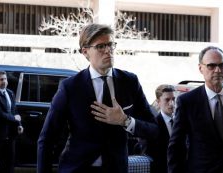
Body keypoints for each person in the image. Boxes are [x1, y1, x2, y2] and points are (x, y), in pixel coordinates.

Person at [37, 23, 158, 173]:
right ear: (85, 52)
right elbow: (47, 139)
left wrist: (124, 120)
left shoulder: (129, 82)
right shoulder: (70, 87)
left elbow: (154, 130)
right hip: (77, 168)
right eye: (101, 46)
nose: (108, 50)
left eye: (110, 45)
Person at [168, 46, 223, 173]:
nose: (218, 70)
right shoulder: (188, 102)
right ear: (201, 68)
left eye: (222, 65)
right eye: (211, 66)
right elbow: (176, 146)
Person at [0, 70, 24, 173]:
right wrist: (14, 119)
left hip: (10, 135)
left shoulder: (10, 93)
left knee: (10, 163)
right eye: (1, 79)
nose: (4, 81)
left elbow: (14, 110)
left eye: (5, 79)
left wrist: (19, 125)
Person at [146, 84, 175, 173]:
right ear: (158, 102)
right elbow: (149, 156)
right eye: (167, 100)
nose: (172, 103)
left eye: (173, 99)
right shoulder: (152, 125)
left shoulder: (180, 122)